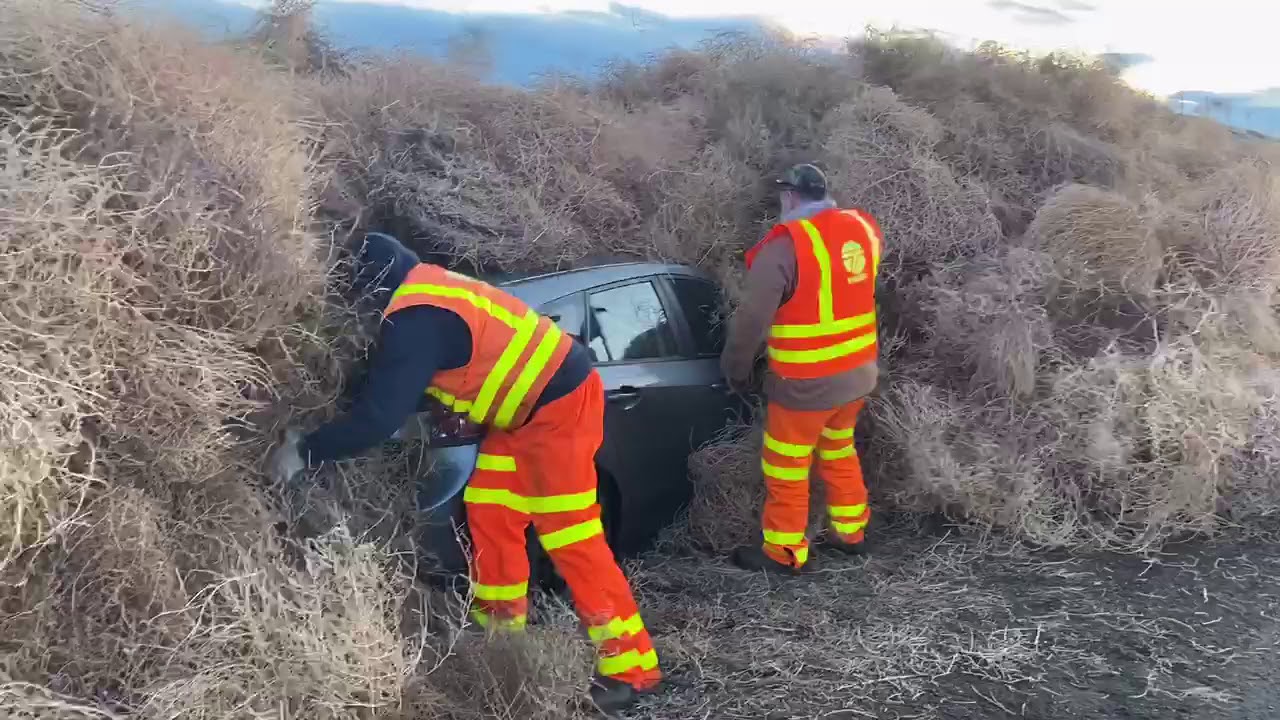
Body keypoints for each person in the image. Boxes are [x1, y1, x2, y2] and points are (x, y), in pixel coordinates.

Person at [269, 233, 661, 712]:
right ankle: (501, 639)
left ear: (369, 292)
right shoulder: (427, 289)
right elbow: (423, 383)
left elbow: (377, 419)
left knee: (572, 539)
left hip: (561, 410)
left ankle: (630, 669)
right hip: (517, 417)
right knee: (491, 514)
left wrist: (306, 450)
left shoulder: (414, 321)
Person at [719, 164, 883, 574]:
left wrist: (736, 369)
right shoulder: (862, 228)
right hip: (858, 374)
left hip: (806, 385)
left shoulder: (784, 246)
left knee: (786, 464)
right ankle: (851, 533)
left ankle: (784, 552)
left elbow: (752, 320)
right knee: (838, 447)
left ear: (789, 197)